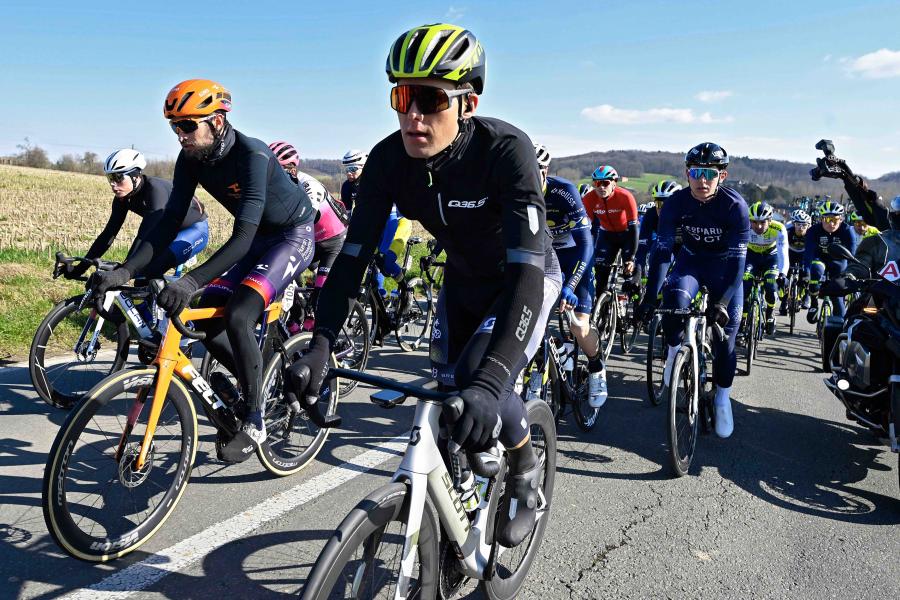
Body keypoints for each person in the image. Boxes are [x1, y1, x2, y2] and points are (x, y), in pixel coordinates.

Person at [289, 23, 562, 548]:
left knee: (482, 374)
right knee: (443, 392)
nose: (413, 115)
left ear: (467, 103)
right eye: (402, 96)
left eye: (431, 99)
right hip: (462, 277)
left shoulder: (506, 151)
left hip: (522, 278)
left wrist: (490, 381)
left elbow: (527, 271)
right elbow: (353, 254)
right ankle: (455, 501)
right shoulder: (390, 159)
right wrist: (322, 340)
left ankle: (525, 471)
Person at [92, 79, 317, 463]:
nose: (179, 135)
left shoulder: (252, 155)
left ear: (216, 120)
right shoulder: (192, 158)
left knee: (240, 312)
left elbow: (242, 237)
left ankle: (254, 419)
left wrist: (190, 279)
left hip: (291, 236)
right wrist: (124, 272)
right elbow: (167, 224)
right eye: (173, 127)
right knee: (207, 314)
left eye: (186, 125)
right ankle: (260, 381)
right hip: (258, 237)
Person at [638, 142, 749, 439]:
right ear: (687, 173)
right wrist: (650, 297)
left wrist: (723, 302)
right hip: (691, 263)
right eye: (696, 173)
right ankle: (674, 350)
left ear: (722, 176)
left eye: (709, 174)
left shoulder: (735, 206)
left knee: (726, 337)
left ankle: (722, 397)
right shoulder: (675, 203)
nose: (702, 181)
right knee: (673, 299)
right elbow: (661, 253)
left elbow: (740, 262)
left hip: (725, 269)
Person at [533, 143, 606, 406]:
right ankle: (557, 353)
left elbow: (587, 244)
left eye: (536, 170)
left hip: (575, 257)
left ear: (545, 171)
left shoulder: (564, 191)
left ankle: (597, 367)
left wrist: (571, 284)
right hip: (542, 258)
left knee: (578, 325)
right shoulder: (515, 191)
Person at [65, 149, 209, 281]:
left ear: (135, 177)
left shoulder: (154, 192)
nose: (113, 184)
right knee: (141, 276)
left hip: (194, 229)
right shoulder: (122, 198)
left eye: (118, 177)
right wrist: (80, 268)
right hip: (169, 231)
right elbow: (108, 234)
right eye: (110, 178)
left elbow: (146, 235)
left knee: (149, 268)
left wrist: (125, 270)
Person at [269, 141, 350, 331]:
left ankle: (327, 337)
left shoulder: (309, 186)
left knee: (320, 296)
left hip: (333, 241)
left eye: (278, 171)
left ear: (293, 169)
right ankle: (296, 320)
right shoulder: (276, 186)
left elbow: (304, 221)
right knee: (288, 279)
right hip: (311, 241)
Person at [581, 165, 639, 295]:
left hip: (627, 234)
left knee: (629, 273)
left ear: (614, 183)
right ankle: (602, 307)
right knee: (600, 272)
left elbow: (634, 228)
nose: (601, 187)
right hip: (607, 235)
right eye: (597, 183)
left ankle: (634, 301)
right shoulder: (589, 199)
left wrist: (630, 258)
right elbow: (585, 228)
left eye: (605, 183)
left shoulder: (625, 197)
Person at [804, 201, 856, 323]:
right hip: (820, 258)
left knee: (837, 297)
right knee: (815, 270)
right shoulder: (813, 230)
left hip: (839, 261)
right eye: (827, 219)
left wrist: (851, 273)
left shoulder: (847, 230)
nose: (831, 223)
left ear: (841, 219)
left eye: (835, 220)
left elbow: (852, 255)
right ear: (821, 219)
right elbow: (808, 253)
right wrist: (806, 271)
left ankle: (838, 328)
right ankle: (814, 303)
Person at [743, 201, 788, 335]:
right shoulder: (744, 226)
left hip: (770, 258)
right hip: (751, 257)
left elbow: (783, 253)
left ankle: (769, 312)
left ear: (770, 220)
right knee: (745, 285)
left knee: (770, 284)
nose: (759, 226)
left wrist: (783, 274)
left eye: (763, 222)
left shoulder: (779, 228)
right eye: (755, 222)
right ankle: (743, 320)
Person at [783, 209, 812, 312]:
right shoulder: (788, 230)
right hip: (790, 252)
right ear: (794, 224)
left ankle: (807, 295)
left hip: (804, 253)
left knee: (806, 273)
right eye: (798, 225)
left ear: (808, 226)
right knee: (786, 273)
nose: (800, 228)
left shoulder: (811, 233)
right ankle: (785, 298)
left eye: (804, 225)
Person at [339, 149, 367, 214]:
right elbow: (347, 211)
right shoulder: (346, 186)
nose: (349, 173)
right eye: (347, 169)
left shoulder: (375, 182)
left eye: (352, 169)